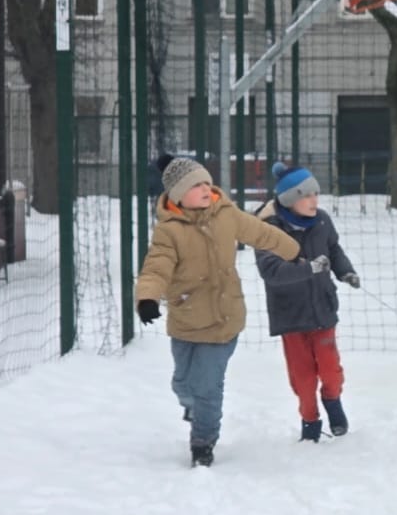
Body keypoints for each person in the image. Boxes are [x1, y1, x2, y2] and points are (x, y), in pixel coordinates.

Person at [135, 154, 301, 467]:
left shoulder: (226, 214)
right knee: (182, 384)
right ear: (178, 195)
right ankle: (194, 407)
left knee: (207, 387)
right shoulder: (169, 231)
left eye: (206, 183)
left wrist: (292, 251)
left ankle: (203, 442)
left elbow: (261, 233)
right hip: (186, 319)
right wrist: (147, 298)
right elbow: (156, 268)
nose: (205, 189)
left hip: (224, 319)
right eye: (195, 185)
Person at [255, 162, 360, 443]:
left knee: (331, 370)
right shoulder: (268, 230)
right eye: (307, 195)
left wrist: (345, 271)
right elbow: (271, 271)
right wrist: (309, 268)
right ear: (290, 199)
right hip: (291, 316)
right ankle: (310, 420)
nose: (315, 200)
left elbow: (333, 250)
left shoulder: (322, 221)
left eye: (316, 194)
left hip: (322, 310)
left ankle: (333, 401)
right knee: (302, 378)